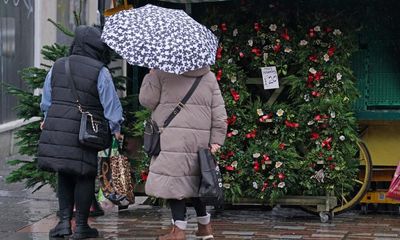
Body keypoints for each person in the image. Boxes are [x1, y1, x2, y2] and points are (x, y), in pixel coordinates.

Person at [37, 25, 123, 239]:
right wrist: (115, 129)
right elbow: (111, 107)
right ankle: (82, 226)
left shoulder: (58, 66)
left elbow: (47, 101)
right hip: (86, 132)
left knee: (64, 172)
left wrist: (47, 121)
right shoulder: (100, 71)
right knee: (84, 174)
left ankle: (64, 224)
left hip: (58, 129)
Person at [139, 66, 227, 240]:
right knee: (196, 182)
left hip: (171, 137)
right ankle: (205, 227)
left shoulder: (162, 72)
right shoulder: (208, 77)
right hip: (199, 139)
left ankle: (178, 231)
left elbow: (146, 100)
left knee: (175, 183)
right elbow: (219, 111)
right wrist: (216, 139)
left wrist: (150, 76)